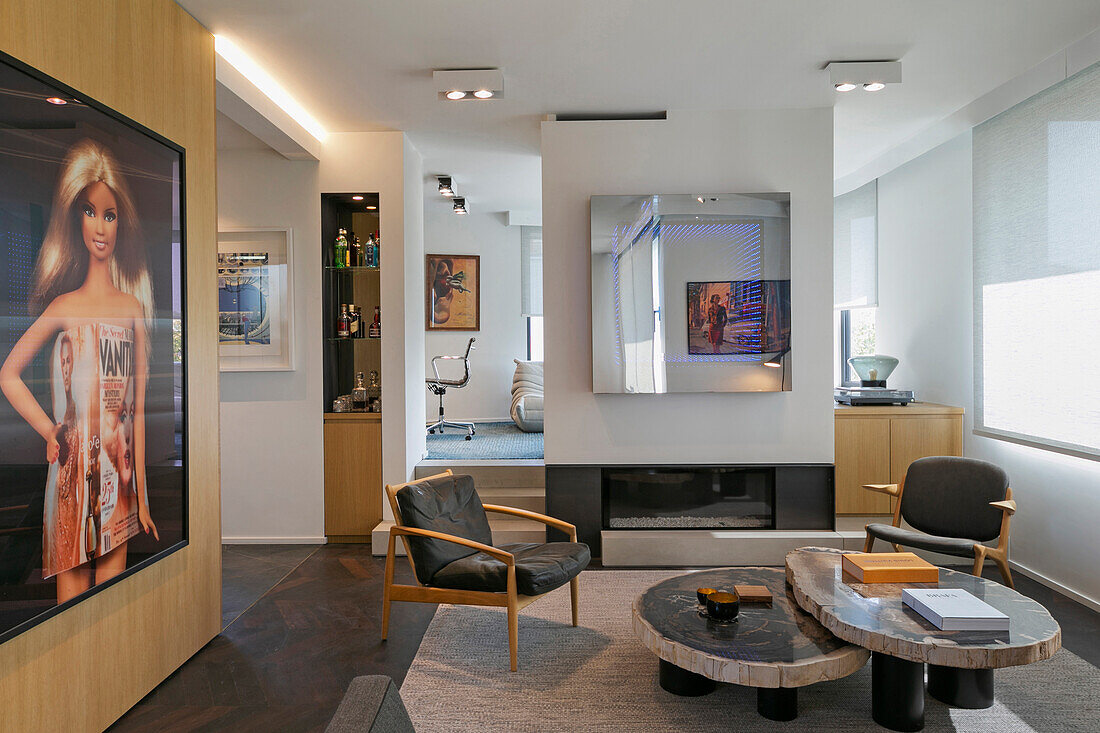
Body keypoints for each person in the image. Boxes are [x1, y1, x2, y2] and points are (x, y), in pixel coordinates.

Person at [0, 139, 158, 604]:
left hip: (121, 480)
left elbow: (139, 412)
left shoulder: (132, 309)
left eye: (109, 215)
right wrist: (50, 430)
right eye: (91, 212)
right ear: (75, 217)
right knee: (71, 613)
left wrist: (142, 494)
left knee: (110, 608)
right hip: (69, 478)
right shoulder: (63, 307)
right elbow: (8, 373)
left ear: (121, 223)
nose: (101, 226)